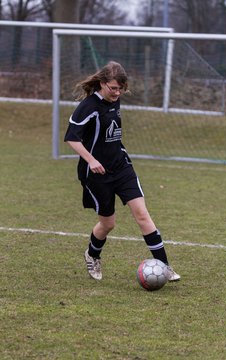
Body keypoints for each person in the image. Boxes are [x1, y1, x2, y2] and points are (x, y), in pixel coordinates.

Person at [64, 61, 180, 282]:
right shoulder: (89, 106)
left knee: (143, 215)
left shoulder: (114, 100)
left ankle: (165, 267)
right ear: (102, 83)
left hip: (122, 167)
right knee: (108, 224)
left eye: (121, 89)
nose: (117, 93)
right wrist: (91, 160)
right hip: (97, 174)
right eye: (113, 88)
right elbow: (71, 137)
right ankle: (92, 254)